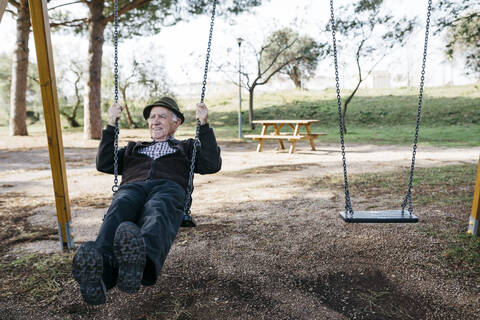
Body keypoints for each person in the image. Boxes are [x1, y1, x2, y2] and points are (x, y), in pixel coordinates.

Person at [71, 97, 222, 305]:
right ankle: (101, 274)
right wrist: (110, 124)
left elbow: (212, 164)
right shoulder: (134, 148)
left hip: (168, 187)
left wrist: (204, 125)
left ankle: (140, 265)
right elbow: (104, 163)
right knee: (119, 207)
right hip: (132, 187)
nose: (155, 121)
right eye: (152, 117)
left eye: (162, 116)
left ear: (176, 123)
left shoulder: (187, 147)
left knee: (158, 208)